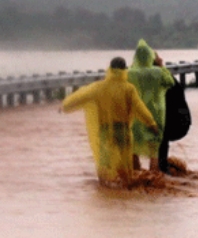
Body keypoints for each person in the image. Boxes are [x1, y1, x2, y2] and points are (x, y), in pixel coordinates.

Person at [60, 56, 159, 188]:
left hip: (105, 132)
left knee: (104, 165)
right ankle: (126, 190)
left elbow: (79, 97)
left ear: (110, 69)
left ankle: (105, 191)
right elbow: (140, 108)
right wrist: (151, 124)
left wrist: (65, 106)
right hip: (122, 132)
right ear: (125, 70)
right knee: (124, 166)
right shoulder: (128, 89)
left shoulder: (99, 87)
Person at [127, 39, 174, 172]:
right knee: (154, 151)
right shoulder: (158, 73)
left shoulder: (129, 73)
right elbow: (170, 82)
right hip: (156, 115)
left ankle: (135, 180)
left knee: (133, 149)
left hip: (135, 116)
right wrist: (161, 65)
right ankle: (153, 182)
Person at [158, 68, 191, 174]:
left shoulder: (159, 80)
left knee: (161, 137)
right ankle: (163, 167)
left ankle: (162, 169)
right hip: (183, 121)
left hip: (174, 121)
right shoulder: (168, 77)